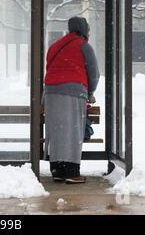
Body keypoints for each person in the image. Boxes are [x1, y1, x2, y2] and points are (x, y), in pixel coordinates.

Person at [43, 16, 99, 183]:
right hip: (73, 91)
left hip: (51, 93)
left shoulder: (55, 46)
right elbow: (94, 74)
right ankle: (71, 173)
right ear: (83, 29)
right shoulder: (84, 46)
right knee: (73, 132)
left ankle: (58, 170)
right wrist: (90, 92)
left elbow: (49, 67)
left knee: (58, 132)